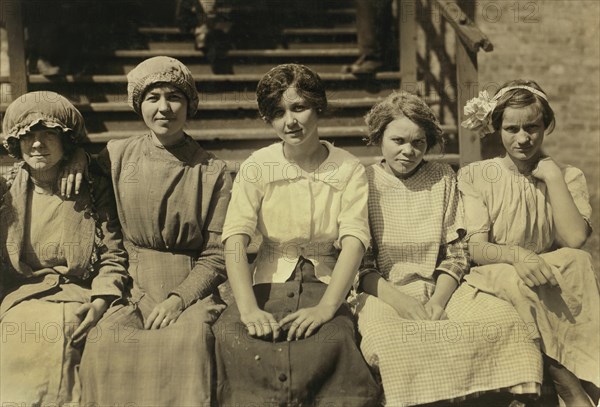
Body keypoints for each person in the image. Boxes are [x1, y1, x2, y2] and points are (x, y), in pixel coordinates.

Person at [354, 91, 542, 406]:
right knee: (393, 342)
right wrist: (404, 303)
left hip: (444, 287)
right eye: (398, 140)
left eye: (418, 143)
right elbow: (362, 265)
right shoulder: (364, 181)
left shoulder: (442, 176)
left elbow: (456, 253)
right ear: (379, 138)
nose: (408, 151)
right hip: (382, 292)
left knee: (505, 322)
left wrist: (438, 302)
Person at [212, 63, 380, 405]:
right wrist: (247, 309)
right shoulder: (258, 165)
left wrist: (327, 308)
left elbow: (354, 241)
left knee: (334, 339)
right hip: (267, 280)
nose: (289, 121)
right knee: (231, 335)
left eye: (299, 107)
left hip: (326, 283)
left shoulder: (348, 168)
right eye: (278, 113)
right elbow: (234, 238)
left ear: (317, 106)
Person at [77, 56, 232, 405]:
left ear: (189, 104)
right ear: (139, 105)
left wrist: (180, 298)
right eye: (153, 98)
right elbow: (74, 162)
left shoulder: (212, 171)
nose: (164, 108)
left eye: (174, 97)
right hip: (132, 284)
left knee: (189, 344)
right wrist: (74, 162)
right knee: (105, 342)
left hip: (189, 287)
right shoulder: (115, 156)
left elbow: (218, 253)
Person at [458, 80, 600, 406]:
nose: (523, 138)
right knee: (518, 280)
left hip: (549, 269)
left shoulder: (568, 175)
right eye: (512, 128)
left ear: (546, 125)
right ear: (497, 128)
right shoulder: (476, 176)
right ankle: (570, 387)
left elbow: (574, 239)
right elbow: (478, 249)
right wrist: (517, 256)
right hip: (497, 270)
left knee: (578, 262)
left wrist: (551, 177)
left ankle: (593, 380)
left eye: (532, 127)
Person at [0, 91, 129, 404]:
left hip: (77, 294)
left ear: (67, 141)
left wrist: (101, 300)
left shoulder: (91, 186)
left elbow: (113, 255)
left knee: (63, 334)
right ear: (16, 143)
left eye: (48, 135)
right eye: (28, 136)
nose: (37, 144)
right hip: (22, 295)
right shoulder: (6, 190)